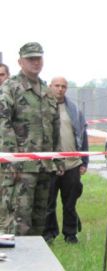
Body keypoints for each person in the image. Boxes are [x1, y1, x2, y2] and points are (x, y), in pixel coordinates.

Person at [0, 42, 62, 235]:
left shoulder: (46, 91)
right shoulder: (10, 87)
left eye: (38, 58)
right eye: (30, 59)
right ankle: (17, 255)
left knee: (39, 220)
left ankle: (35, 254)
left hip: (44, 166)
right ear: (20, 62)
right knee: (18, 220)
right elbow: (3, 124)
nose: (36, 62)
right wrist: (12, 160)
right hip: (20, 168)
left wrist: (57, 158)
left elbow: (55, 127)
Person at [43, 76, 88, 244]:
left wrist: (84, 161)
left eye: (63, 86)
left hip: (72, 164)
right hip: (50, 165)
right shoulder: (43, 108)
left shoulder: (74, 110)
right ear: (50, 86)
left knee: (70, 203)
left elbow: (83, 136)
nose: (60, 89)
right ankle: (49, 234)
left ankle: (70, 234)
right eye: (57, 85)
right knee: (48, 203)